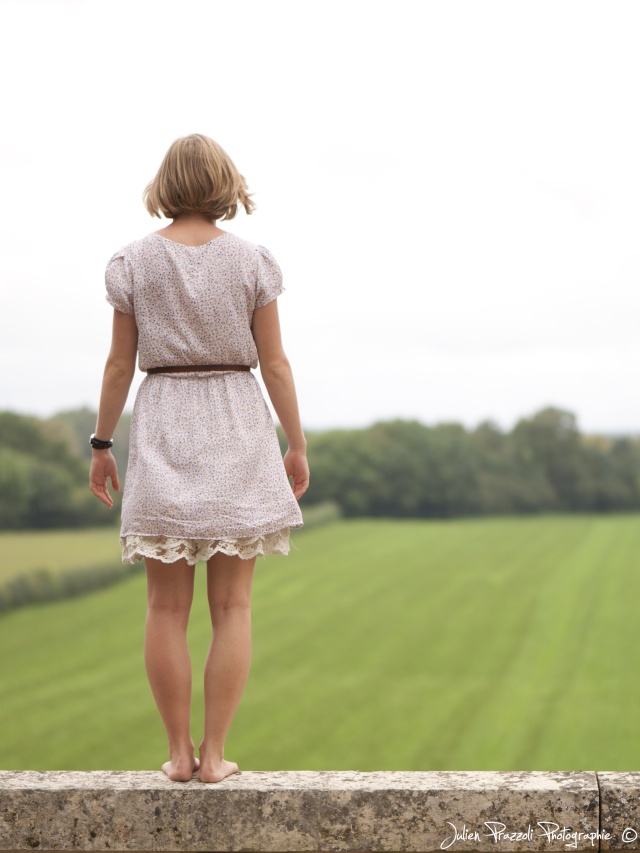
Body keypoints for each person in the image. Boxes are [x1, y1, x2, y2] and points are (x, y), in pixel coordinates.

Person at [89, 133, 310, 784]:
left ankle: (177, 753)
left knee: (163, 608)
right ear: (223, 184)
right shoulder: (252, 262)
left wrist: (102, 445)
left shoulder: (131, 262)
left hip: (164, 420)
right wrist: (294, 443)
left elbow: (117, 365)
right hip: (238, 421)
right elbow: (274, 363)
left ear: (166, 185)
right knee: (234, 606)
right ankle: (216, 755)